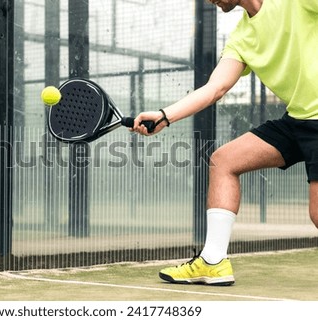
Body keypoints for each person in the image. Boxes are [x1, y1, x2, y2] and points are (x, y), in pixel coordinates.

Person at [131, 0, 318, 285]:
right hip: (298, 120)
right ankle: (213, 261)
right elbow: (214, 88)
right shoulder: (242, 37)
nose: (210, 0)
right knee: (224, 160)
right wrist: (164, 116)